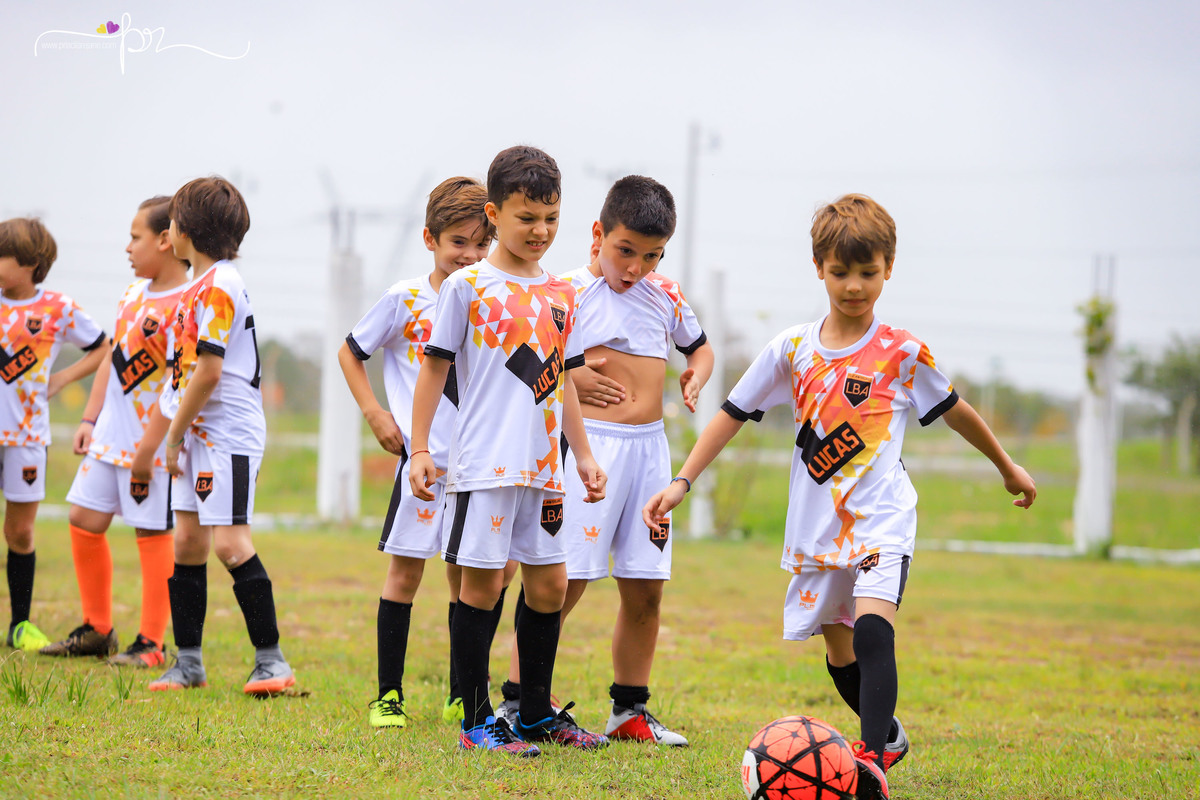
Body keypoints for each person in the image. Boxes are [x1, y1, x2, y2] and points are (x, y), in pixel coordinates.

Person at [642, 194, 1037, 799]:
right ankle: (890, 734)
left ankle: (873, 763)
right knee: (840, 648)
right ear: (819, 268)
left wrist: (1008, 467)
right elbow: (731, 413)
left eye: (868, 272)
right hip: (818, 530)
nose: (854, 286)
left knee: (876, 632)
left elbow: (956, 411)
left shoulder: (901, 351)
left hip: (883, 519)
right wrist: (681, 481)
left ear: (889, 267)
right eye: (840, 272)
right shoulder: (793, 350)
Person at [497, 176, 712, 747]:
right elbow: (521, 360)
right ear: (597, 234)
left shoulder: (665, 294)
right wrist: (570, 375)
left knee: (645, 588)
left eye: (652, 255)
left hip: (651, 453)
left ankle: (630, 711)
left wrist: (698, 372)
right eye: (626, 251)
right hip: (586, 449)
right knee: (562, 583)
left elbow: (701, 348)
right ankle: (519, 703)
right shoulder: (561, 290)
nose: (637, 267)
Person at [408, 145, 608, 756]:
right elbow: (434, 371)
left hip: (546, 470)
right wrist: (420, 449)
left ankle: (534, 713)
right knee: (482, 587)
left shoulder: (562, 293)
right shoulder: (467, 287)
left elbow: (563, 381)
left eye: (551, 218)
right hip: (483, 469)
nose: (541, 231)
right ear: (495, 214)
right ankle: (475, 721)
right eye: (527, 218)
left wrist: (586, 455)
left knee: (549, 588)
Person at [338, 176, 517, 728]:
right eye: (457, 242)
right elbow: (350, 352)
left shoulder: (494, 297)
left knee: (475, 579)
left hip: (481, 465)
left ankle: (463, 691)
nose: (470, 254)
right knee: (405, 576)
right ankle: (388, 695)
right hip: (424, 463)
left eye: (481, 243)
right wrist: (375, 414)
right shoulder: (405, 299)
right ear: (429, 239)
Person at [141, 176, 296, 696]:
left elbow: (209, 373)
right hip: (194, 432)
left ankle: (272, 661)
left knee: (230, 543)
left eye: (173, 223)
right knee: (187, 542)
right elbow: (183, 373)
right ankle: (188, 663)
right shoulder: (194, 287)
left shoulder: (222, 283)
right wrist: (178, 431)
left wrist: (172, 435)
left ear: (186, 230)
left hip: (226, 433)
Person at [39, 197, 190, 667]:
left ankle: (151, 643)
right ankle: (97, 629)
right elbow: (112, 357)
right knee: (83, 518)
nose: (127, 247)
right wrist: (89, 418)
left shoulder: (186, 304)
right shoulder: (132, 294)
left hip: (148, 446)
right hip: (108, 440)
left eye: (135, 237)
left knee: (151, 532)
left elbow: (177, 384)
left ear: (165, 241)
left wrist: (150, 450)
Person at [0, 217, 108, 651]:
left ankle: (20, 625)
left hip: (27, 436)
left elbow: (105, 347)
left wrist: (62, 379)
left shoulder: (58, 308)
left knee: (20, 532)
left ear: (30, 262)